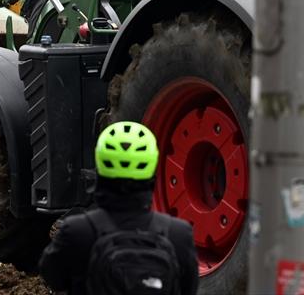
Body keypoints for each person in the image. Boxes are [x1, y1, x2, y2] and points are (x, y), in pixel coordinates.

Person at [39, 122, 199, 295]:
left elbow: (52, 276)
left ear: (99, 168)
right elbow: (188, 289)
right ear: (153, 169)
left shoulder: (77, 231)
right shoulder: (179, 234)